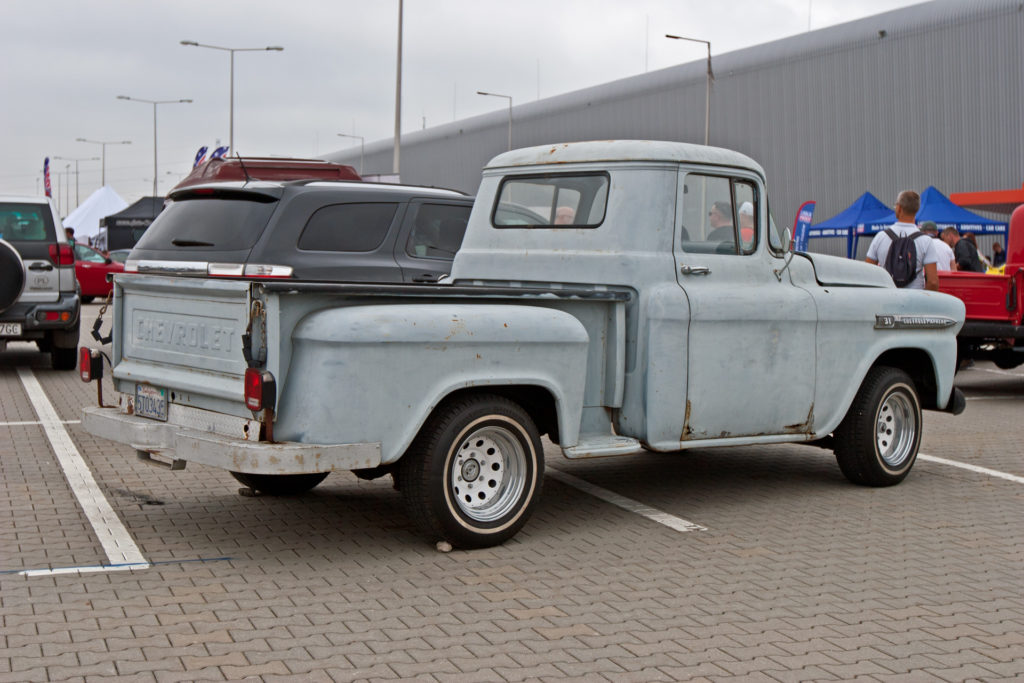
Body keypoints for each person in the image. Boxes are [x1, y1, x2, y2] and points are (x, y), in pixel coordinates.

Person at [865, 190, 938, 290]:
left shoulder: (880, 237)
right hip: (915, 300)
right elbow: (933, 282)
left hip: (887, 298)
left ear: (899, 208)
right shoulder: (926, 241)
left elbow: (867, 274)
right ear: (917, 209)